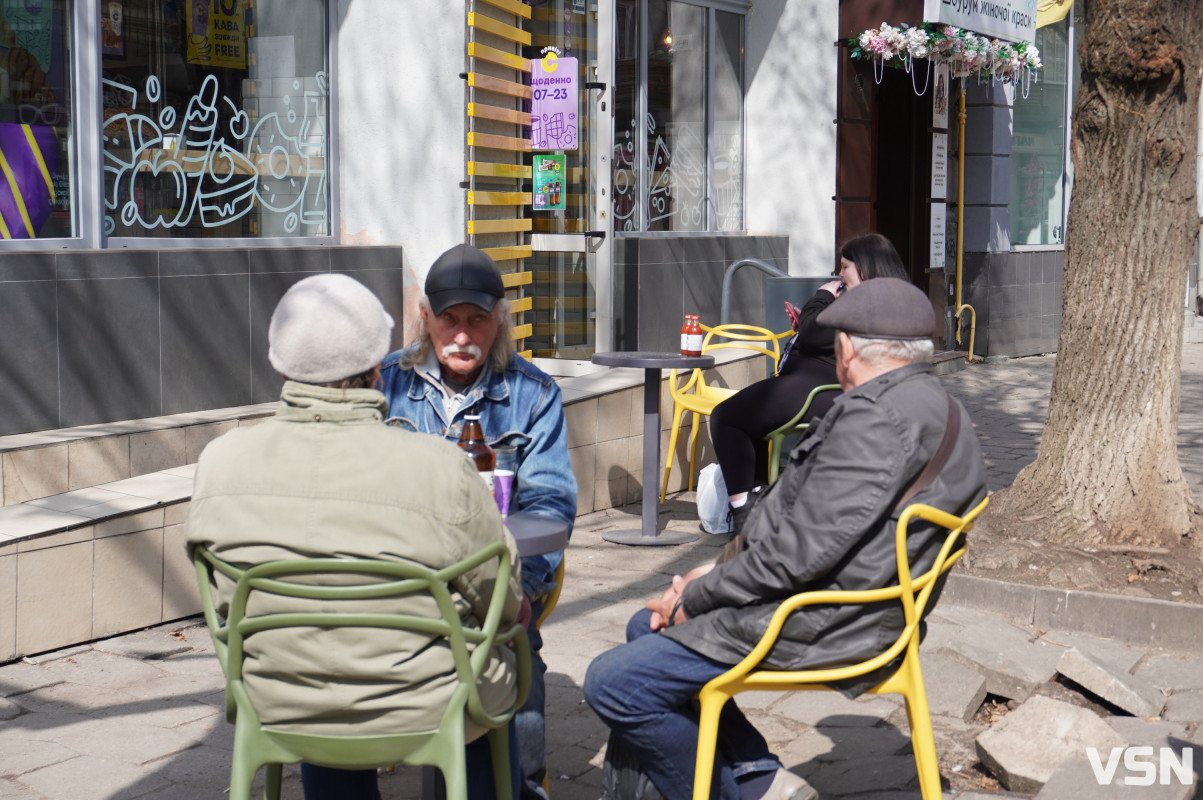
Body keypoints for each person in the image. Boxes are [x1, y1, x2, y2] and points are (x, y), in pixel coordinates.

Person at [583, 278, 987, 800]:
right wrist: (712, 573)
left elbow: (796, 556)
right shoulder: (937, 407)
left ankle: (740, 792)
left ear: (845, 349)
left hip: (830, 621)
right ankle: (758, 776)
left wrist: (700, 595)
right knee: (646, 626)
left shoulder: (876, 420)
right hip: (852, 606)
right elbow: (804, 532)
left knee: (614, 683)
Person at [186, 273, 526, 800]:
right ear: (377, 368)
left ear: (280, 365)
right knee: (492, 655)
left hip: (275, 699)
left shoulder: (220, 463)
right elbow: (501, 600)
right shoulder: (442, 466)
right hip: (422, 701)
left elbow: (221, 598)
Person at [378, 243, 578, 800]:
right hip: (400, 586)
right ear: (426, 319)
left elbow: (551, 506)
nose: (462, 335)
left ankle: (522, 786)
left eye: (477, 320)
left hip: (492, 585)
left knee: (517, 651)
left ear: (499, 321)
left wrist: (516, 595)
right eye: (449, 319)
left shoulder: (534, 396)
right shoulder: (386, 385)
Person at [708, 233, 910, 531]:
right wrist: (805, 325)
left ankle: (743, 512)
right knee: (752, 424)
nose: (838, 275)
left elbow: (818, 333)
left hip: (817, 391)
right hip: (821, 386)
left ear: (865, 268)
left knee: (725, 417)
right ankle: (758, 504)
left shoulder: (864, 303)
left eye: (844, 267)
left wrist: (822, 296)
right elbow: (823, 336)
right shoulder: (886, 301)